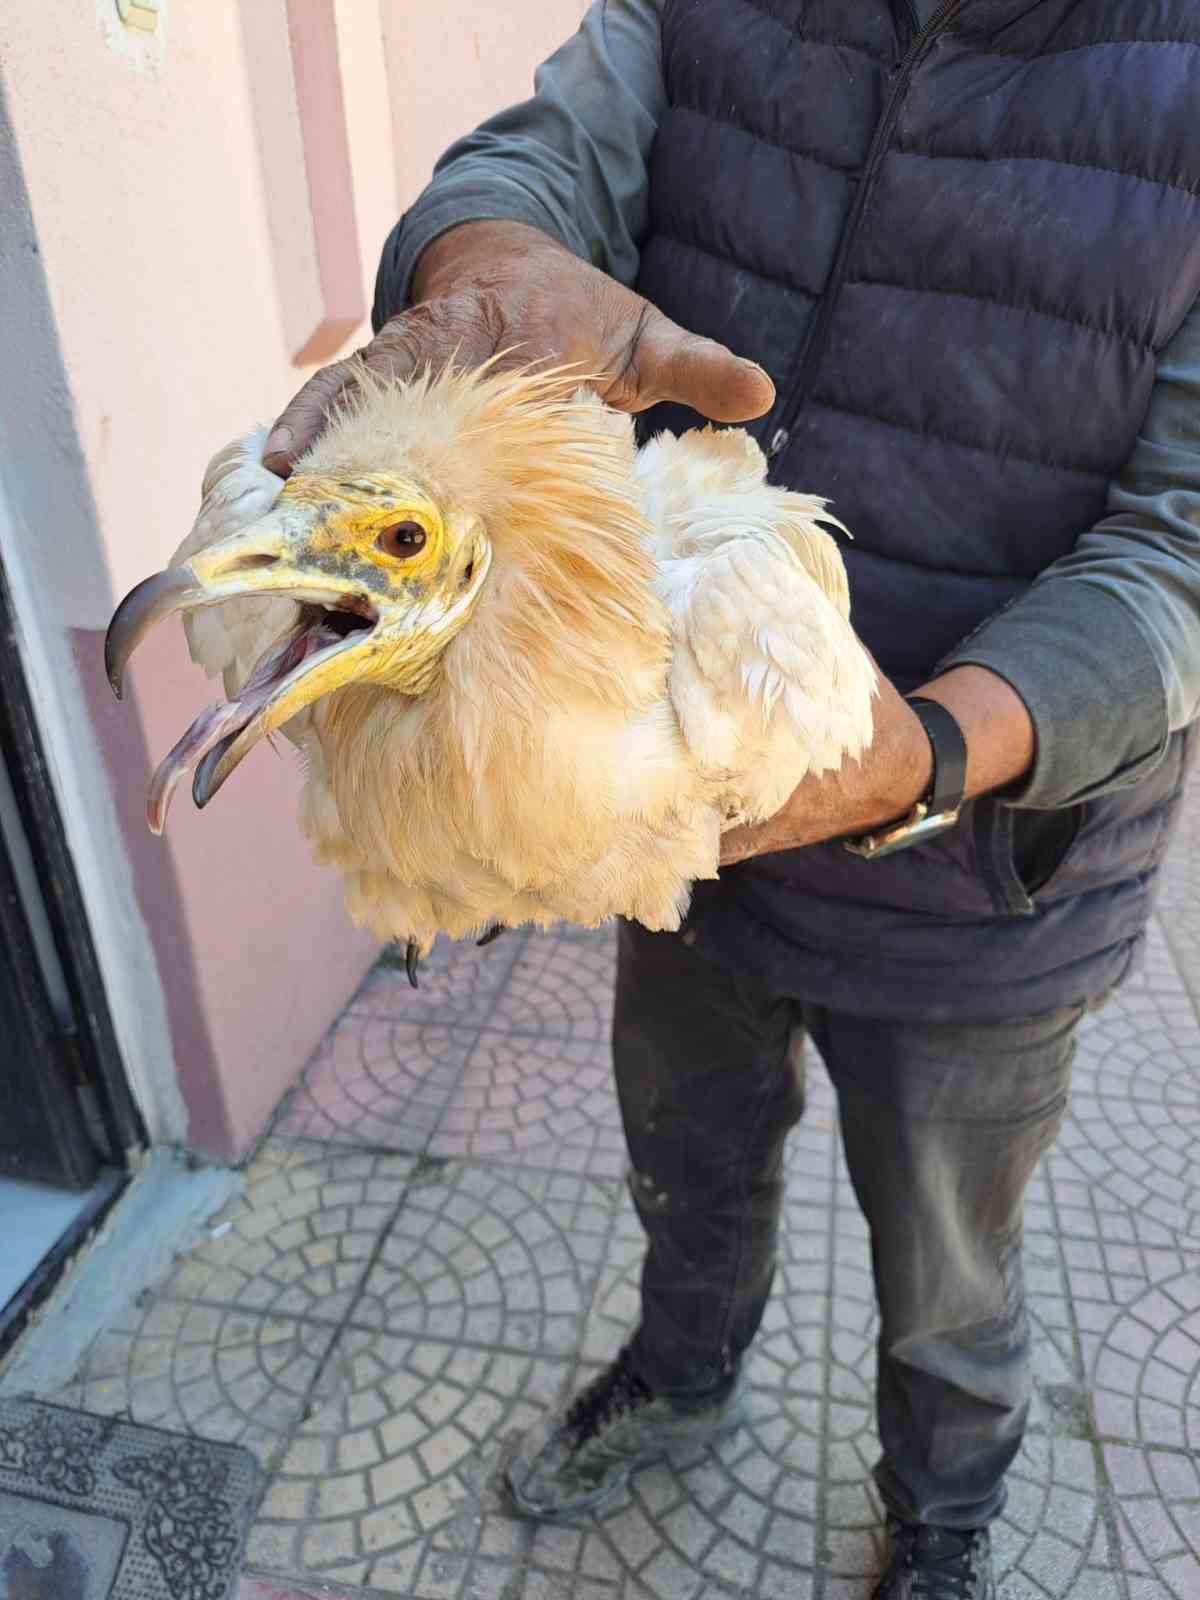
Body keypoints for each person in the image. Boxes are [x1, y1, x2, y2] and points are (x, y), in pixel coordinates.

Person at [263, 4, 1200, 1596]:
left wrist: (927, 751)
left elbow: (1180, 549)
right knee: (688, 1155)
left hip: (985, 878)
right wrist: (483, 250)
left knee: (948, 1269)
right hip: (685, 835)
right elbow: (553, 147)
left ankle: (946, 1515)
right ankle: (682, 1373)